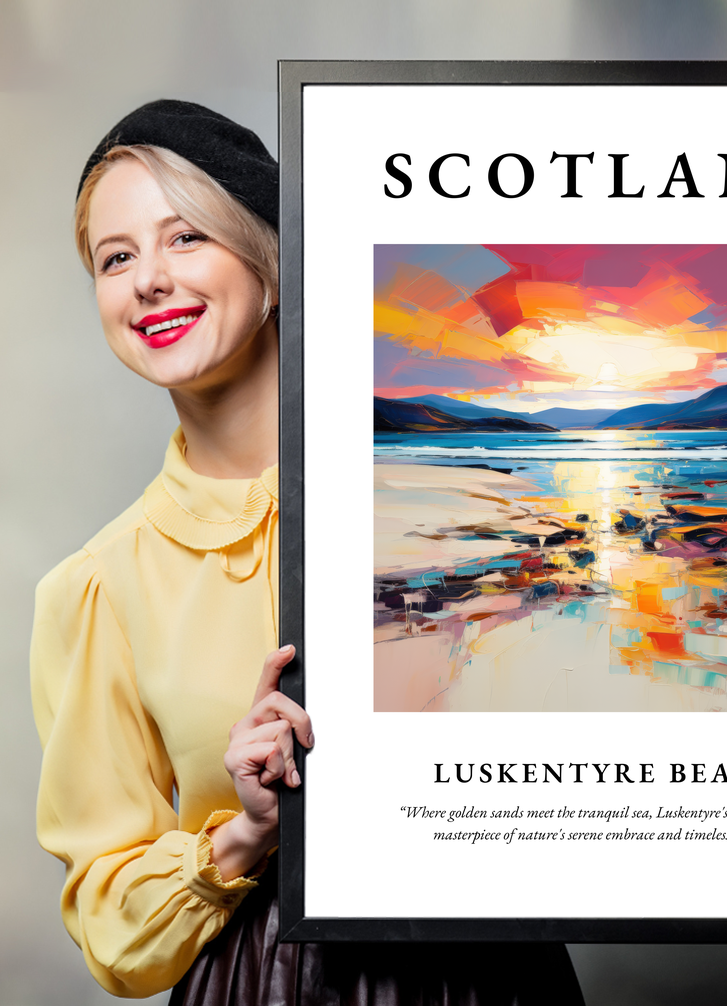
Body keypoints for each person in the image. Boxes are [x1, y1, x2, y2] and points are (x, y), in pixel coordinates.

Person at [30, 100, 585, 1004]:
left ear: (273, 264)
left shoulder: (467, 497)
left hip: (492, 973)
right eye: (116, 257)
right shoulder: (97, 587)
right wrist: (245, 832)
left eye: (186, 239)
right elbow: (110, 924)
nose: (148, 281)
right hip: (263, 982)